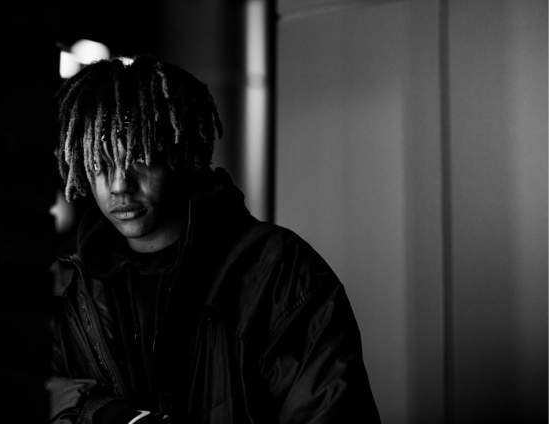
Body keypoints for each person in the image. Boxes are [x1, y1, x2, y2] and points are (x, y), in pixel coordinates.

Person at [47, 54, 380, 424]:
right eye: (100, 164)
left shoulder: (279, 272)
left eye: (139, 158)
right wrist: (104, 413)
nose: (120, 185)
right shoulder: (67, 290)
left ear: (179, 152)